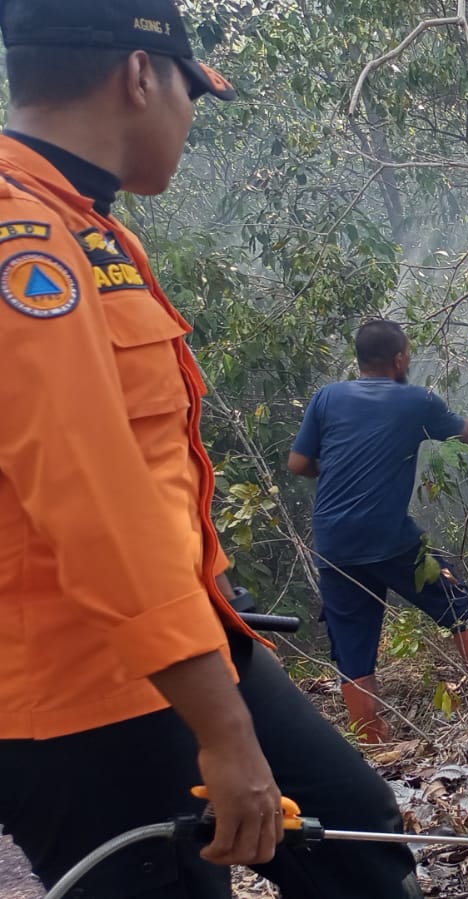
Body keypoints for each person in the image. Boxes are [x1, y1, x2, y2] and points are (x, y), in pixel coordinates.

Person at [0, 2, 423, 896]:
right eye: (191, 90)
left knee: (356, 834)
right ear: (140, 74)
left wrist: (210, 597)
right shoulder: (23, 241)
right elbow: (92, 498)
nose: (190, 117)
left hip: (183, 643)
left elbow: (148, 468)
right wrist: (225, 732)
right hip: (82, 698)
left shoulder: (88, 225)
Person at [289, 319, 468, 743]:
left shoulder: (327, 397)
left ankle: (374, 742)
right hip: (386, 537)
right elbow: (467, 431)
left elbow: (299, 465)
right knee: (454, 599)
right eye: (409, 354)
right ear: (399, 359)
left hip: (332, 543)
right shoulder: (416, 400)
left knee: (353, 643)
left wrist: (343, 469)